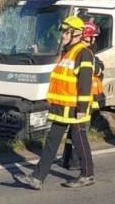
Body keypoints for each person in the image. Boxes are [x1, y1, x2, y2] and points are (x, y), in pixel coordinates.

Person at [14, 17, 97, 190]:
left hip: (75, 108)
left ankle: (87, 174)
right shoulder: (67, 52)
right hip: (60, 106)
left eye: (67, 32)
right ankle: (37, 178)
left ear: (76, 33)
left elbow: (85, 83)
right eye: (64, 32)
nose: (64, 35)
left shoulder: (83, 53)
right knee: (51, 141)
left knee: (79, 141)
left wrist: (82, 108)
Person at [62, 54, 105, 170]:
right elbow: (100, 72)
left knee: (72, 133)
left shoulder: (80, 60)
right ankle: (75, 162)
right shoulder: (92, 63)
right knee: (80, 134)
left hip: (78, 103)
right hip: (84, 105)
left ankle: (67, 159)